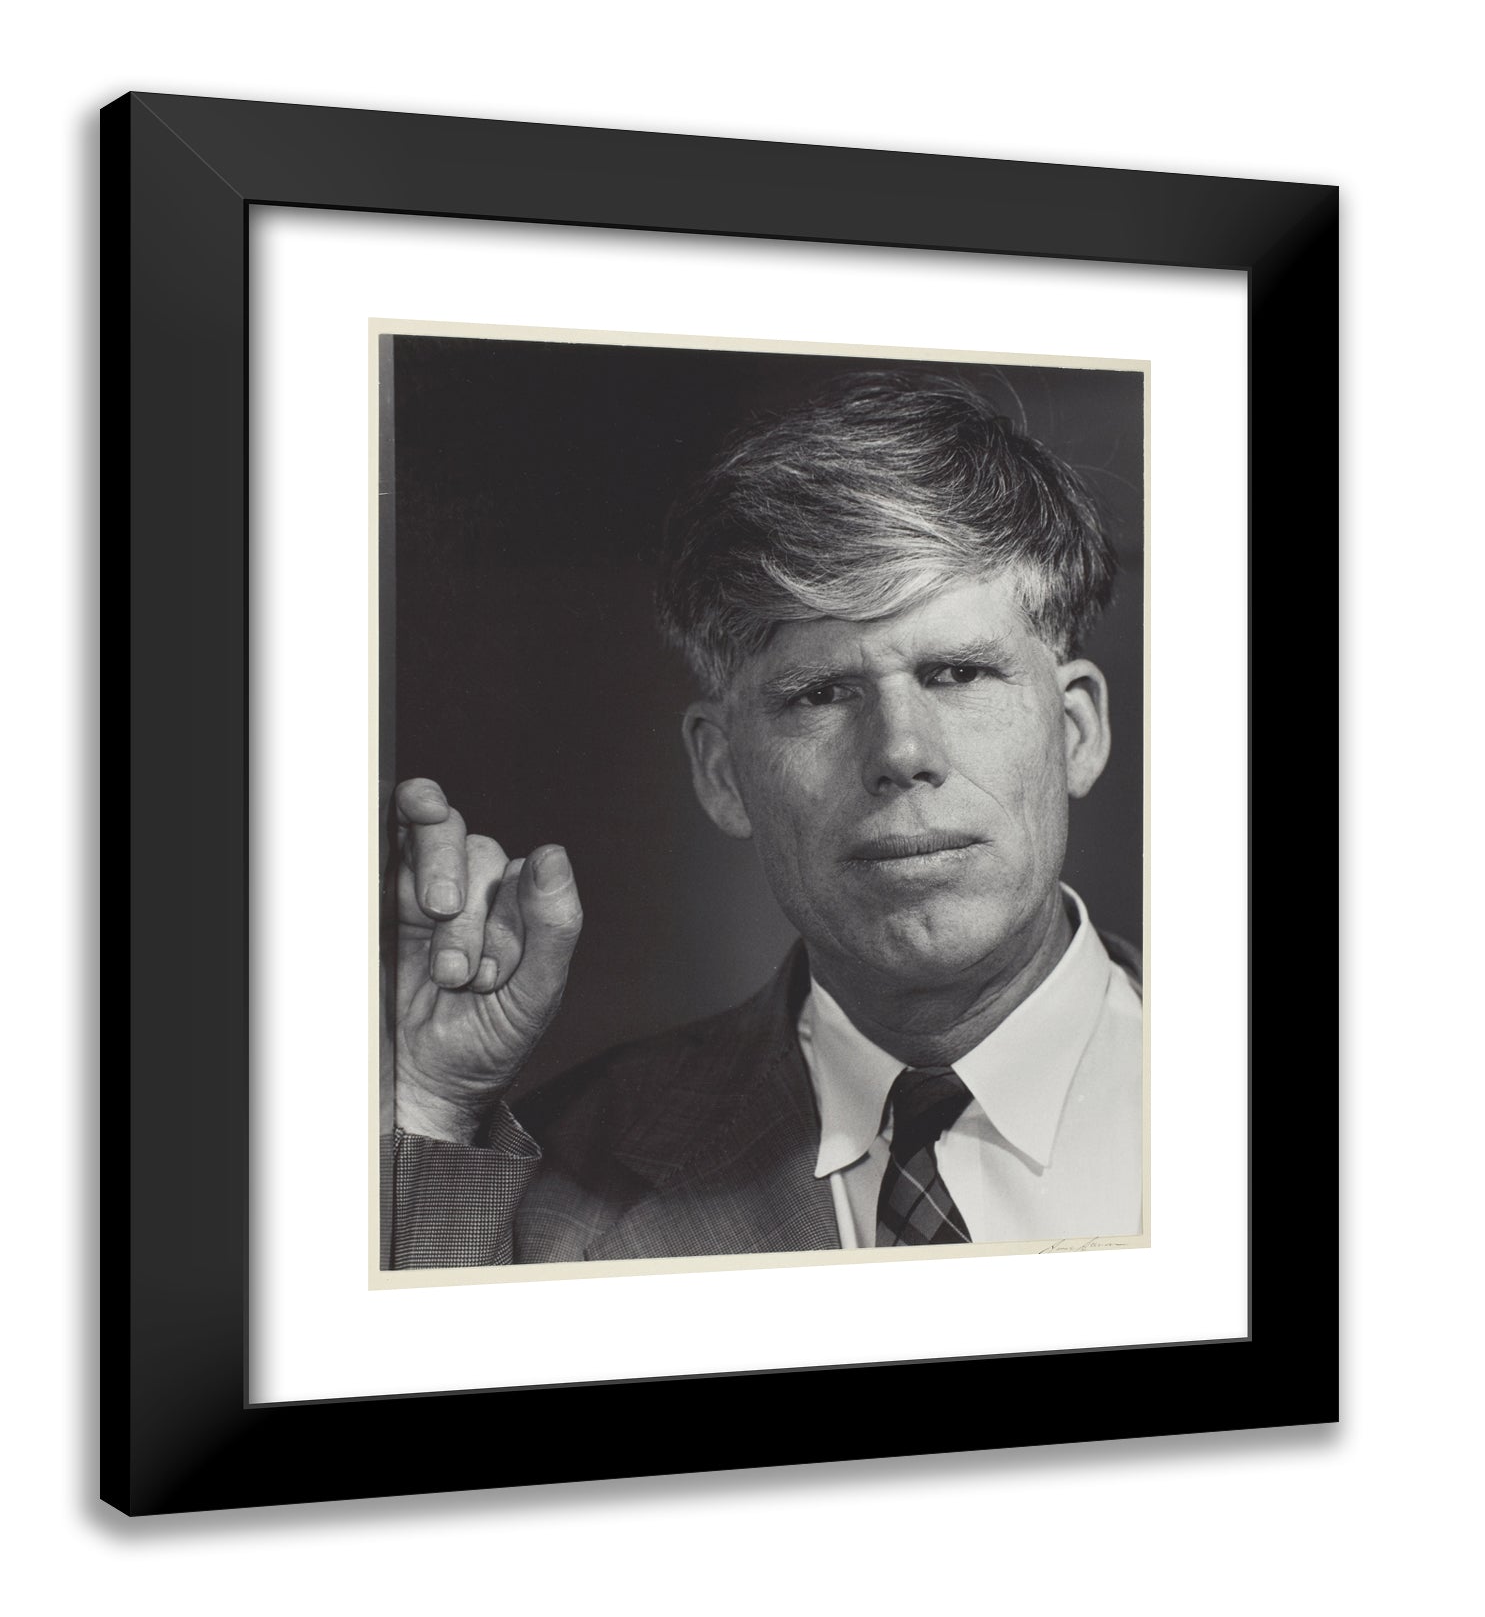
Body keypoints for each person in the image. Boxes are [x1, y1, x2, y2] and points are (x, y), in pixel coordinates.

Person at [381, 370, 1143, 1268]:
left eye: (956, 674)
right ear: (722, 773)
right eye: (821, 694)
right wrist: (426, 1104)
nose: (900, 751)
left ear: (1075, 732)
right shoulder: (548, 1187)